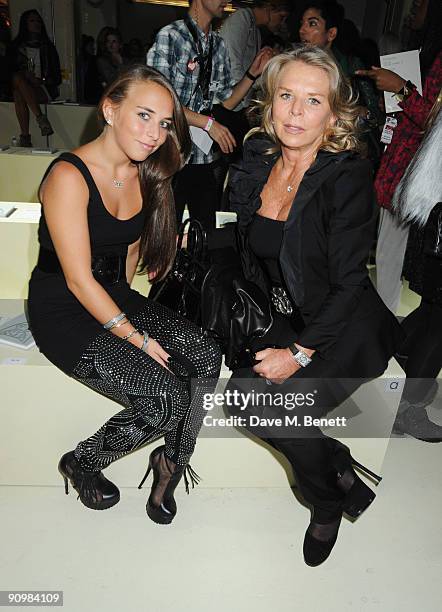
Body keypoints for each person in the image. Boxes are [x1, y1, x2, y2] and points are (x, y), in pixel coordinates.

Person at [227, 45, 403, 566]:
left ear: (333, 113)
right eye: (286, 96)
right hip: (288, 313)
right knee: (241, 398)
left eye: (312, 101)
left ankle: (326, 502)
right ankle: (339, 463)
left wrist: (297, 354)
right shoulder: (258, 159)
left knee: (281, 412)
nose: (295, 112)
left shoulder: (346, 177)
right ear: (271, 100)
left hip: (343, 327)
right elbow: (248, 250)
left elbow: (349, 285)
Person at [27, 65, 222, 524]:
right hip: (63, 307)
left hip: (112, 293)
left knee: (207, 356)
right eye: (143, 115)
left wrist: (136, 308)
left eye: (165, 122)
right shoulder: (68, 176)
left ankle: (170, 464)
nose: (155, 133)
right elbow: (78, 281)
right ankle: (84, 461)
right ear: (110, 110)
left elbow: (130, 248)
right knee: (165, 398)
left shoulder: (147, 172)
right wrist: (136, 338)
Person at [147, 0, 272, 232]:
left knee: (203, 235)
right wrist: (208, 124)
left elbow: (227, 101)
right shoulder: (171, 37)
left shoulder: (218, 45)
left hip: (202, 158)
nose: (227, 1)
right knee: (165, 234)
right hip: (170, 154)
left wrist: (252, 74)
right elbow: (159, 101)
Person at [356, 0, 442, 313]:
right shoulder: (424, 52)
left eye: (420, 4)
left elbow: (435, 121)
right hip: (404, 165)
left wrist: (401, 89)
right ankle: (382, 326)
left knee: (392, 258)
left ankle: (382, 329)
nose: (412, 10)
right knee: (388, 256)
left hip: (417, 173)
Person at [390, 108, 442, 441]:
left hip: (433, 217)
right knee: (439, 319)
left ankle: (392, 359)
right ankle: (408, 407)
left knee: (432, 311)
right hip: (440, 224)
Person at [7, 9, 61, 147]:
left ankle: (25, 137)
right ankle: (40, 119)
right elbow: (8, 73)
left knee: (19, 91)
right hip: (23, 86)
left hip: (44, 88)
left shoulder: (48, 48)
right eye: (32, 20)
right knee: (18, 85)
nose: (36, 24)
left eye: (38, 21)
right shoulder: (15, 47)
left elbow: (57, 77)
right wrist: (26, 76)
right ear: (25, 24)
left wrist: (41, 80)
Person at [219, 0, 273, 112]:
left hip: (237, 103)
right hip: (228, 103)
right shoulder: (242, 18)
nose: (282, 22)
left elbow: (252, 76)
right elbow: (231, 64)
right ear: (269, 8)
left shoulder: (255, 30)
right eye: (281, 17)